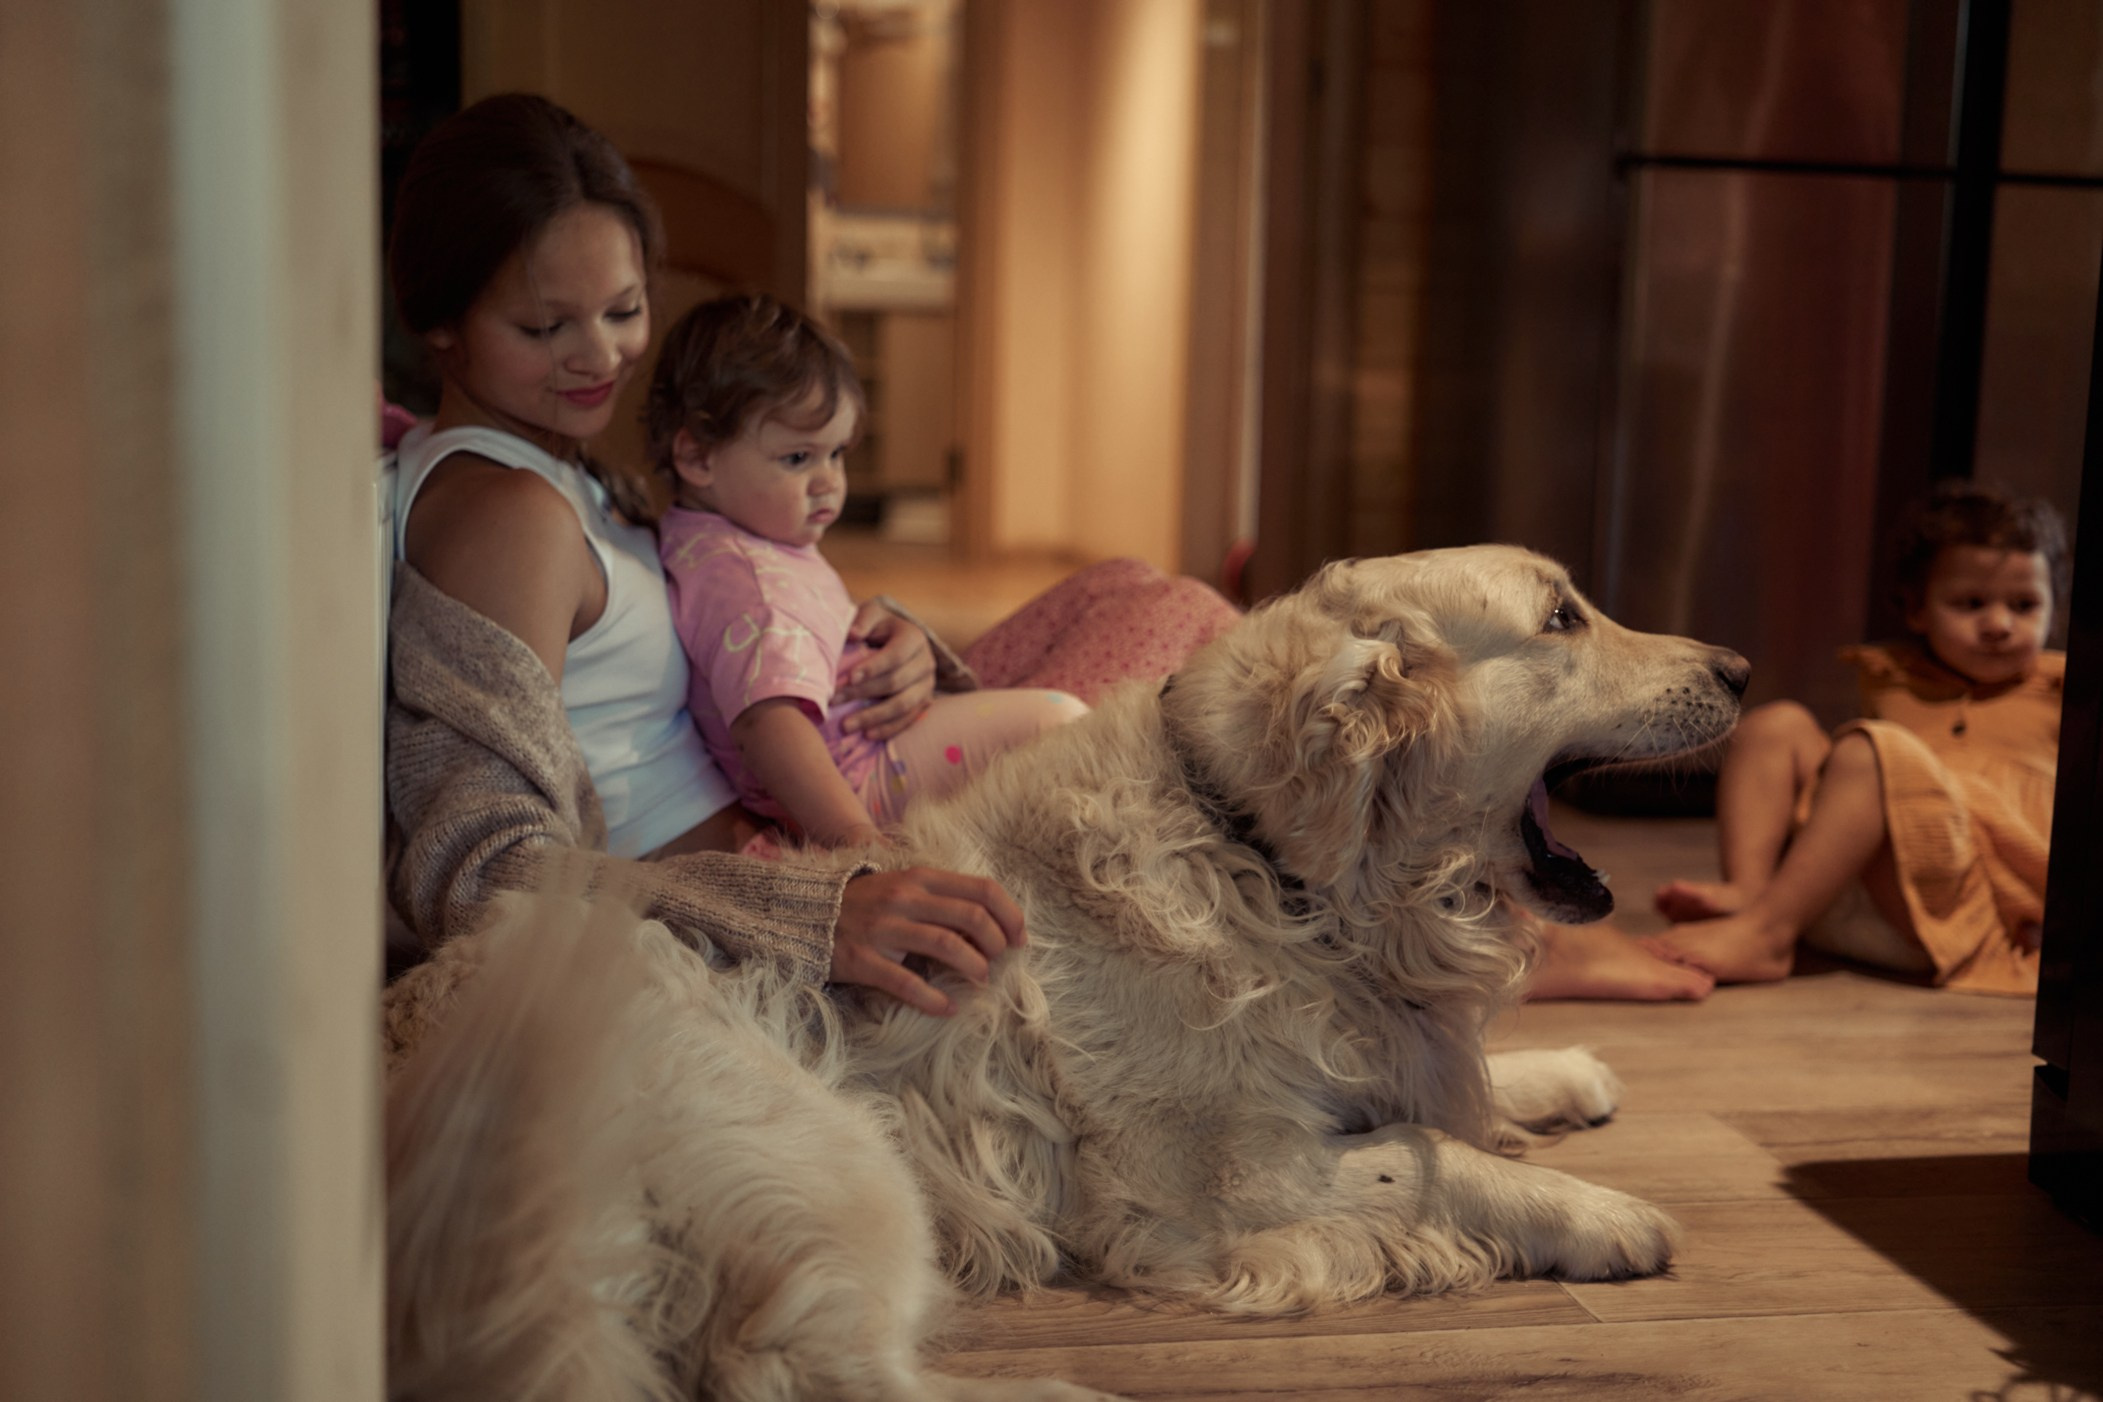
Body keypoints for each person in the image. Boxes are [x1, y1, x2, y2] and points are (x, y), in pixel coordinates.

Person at [380, 93, 1240, 1021]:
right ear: (440, 325)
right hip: (776, 875)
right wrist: (815, 907)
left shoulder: (556, 464)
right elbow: (478, 869)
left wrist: (893, 649)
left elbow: (726, 597)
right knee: (1172, 631)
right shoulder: (504, 516)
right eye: (545, 329)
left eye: (624, 310)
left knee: (1124, 591)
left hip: (805, 788)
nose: (601, 357)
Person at [645, 294, 1087, 849]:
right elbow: (769, 723)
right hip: (863, 776)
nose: (830, 481)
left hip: (865, 743)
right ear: (699, 459)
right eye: (798, 459)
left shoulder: (717, 539)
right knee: (1062, 719)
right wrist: (858, 841)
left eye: (837, 454)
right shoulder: (748, 585)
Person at [1642, 479, 2067, 994]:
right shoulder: (1893, 677)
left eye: (2024, 606)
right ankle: (1752, 897)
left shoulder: (2063, 692)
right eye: (1972, 602)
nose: (1998, 624)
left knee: (1872, 750)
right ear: (1917, 610)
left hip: (1959, 903)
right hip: (1854, 889)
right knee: (1777, 725)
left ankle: (1767, 934)